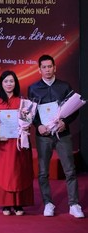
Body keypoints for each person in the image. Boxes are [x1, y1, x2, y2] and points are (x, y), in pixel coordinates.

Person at [27, 54, 84, 218]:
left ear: (55, 68)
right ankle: (48, 203)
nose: (47, 70)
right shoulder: (33, 88)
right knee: (43, 172)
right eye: (44, 67)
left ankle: (74, 204)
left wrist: (65, 122)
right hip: (44, 136)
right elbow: (31, 113)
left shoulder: (64, 86)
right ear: (39, 70)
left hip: (62, 134)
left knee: (70, 170)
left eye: (50, 66)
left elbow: (75, 109)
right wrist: (38, 125)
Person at [0, 70, 34, 216]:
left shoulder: (22, 101)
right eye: (6, 81)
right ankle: (6, 204)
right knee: (4, 172)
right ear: (1, 83)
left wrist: (25, 126)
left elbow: (28, 121)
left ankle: (19, 204)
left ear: (16, 83)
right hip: (2, 142)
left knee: (19, 172)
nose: (9, 84)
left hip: (19, 143)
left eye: (11, 81)